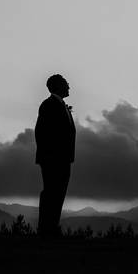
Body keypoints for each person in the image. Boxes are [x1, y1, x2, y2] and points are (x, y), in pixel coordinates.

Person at [35, 73, 76, 238]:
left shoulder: (61, 105)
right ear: (58, 86)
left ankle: (52, 227)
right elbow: (41, 132)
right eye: (66, 83)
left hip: (64, 159)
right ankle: (46, 229)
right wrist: (51, 156)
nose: (69, 87)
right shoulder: (48, 105)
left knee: (59, 193)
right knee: (51, 193)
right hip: (53, 160)